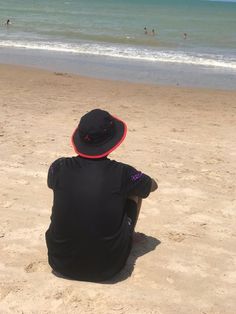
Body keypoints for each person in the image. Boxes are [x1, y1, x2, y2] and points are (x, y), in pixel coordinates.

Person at [45, 109, 158, 282]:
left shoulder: (58, 166)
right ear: (113, 141)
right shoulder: (123, 173)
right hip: (108, 267)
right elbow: (150, 186)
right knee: (134, 192)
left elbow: (52, 183)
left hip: (59, 262)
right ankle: (129, 235)